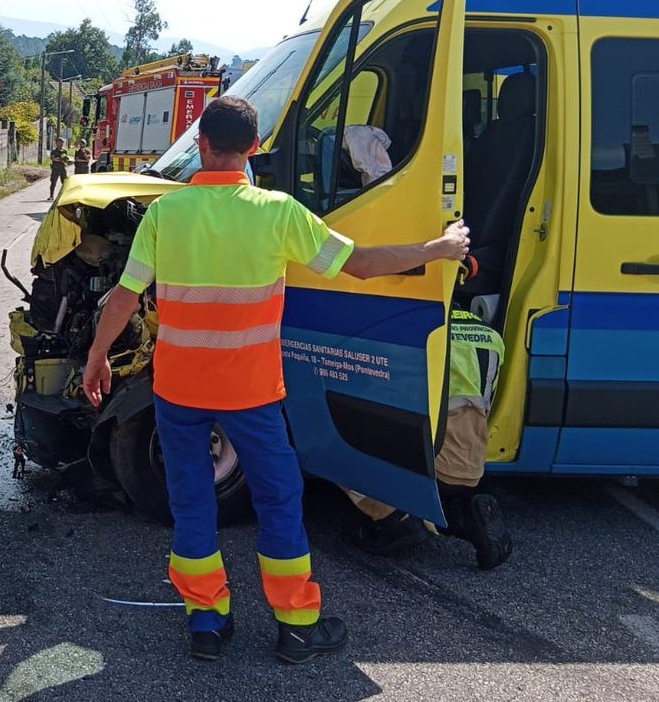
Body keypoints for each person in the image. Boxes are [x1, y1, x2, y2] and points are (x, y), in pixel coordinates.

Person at [82, 96, 470, 664]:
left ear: (202, 146)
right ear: (255, 148)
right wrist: (440, 248)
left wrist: (98, 356)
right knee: (280, 501)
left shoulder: (166, 214)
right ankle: (296, 626)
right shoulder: (278, 212)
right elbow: (360, 264)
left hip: (179, 392)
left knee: (190, 502)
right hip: (252, 394)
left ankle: (207, 624)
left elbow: (124, 297)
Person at [347, 307, 512, 570]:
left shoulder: (421, 328)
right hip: (472, 465)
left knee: (343, 442)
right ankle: (464, 520)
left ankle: (397, 521)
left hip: (432, 460)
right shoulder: (489, 333)